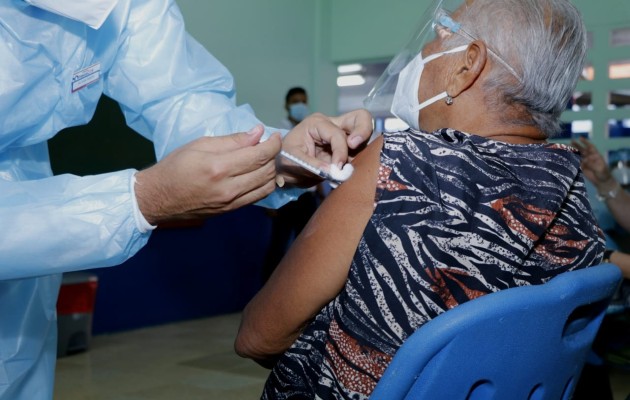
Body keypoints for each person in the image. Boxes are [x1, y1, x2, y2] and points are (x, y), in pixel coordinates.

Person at [235, 0, 608, 398]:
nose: (424, 52)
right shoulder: (572, 193)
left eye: (439, 35)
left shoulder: (401, 163)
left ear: (467, 65)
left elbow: (259, 337)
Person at [0, 1, 373, 399]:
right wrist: (142, 199)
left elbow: (184, 100)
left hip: (24, 292)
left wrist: (279, 152)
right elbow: (260, 337)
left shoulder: (126, 7)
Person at [261, 87, 326, 282]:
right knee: (278, 246)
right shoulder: (277, 132)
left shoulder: (313, 129)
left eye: (303, 101)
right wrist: (269, 197)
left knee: (307, 247)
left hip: (307, 197)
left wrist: (320, 188)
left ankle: (303, 288)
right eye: (296, 101)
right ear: (287, 105)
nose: (300, 106)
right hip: (284, 198)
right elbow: (269, 164)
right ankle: (267, 293)